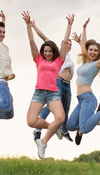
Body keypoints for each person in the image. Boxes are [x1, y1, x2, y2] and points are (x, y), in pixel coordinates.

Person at [22, 11, 74, 159]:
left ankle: (43, 143)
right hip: (39, 93)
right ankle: (53, 128)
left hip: (53, 93)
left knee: (60, 118)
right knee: (31, 122)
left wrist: (69, 25)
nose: (48, 53)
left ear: (54, 52)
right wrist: (28, 25)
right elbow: (32, 42)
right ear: (43, 52)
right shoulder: (38, 59)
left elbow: (64, 43)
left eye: (50, 51)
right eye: (46, 51)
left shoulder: (59, 61)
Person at [31, 19, 75, 142]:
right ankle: (38, 129)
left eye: (71, 45)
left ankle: (64, 130)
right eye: (67, 44)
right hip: (59, 82)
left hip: (68, 85)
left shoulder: (69, 57)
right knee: (51, 106)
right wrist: (34, 26)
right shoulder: (57, 54)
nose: (68, 45)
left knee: (65, 108)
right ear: (61, 45)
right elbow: (44, 37)